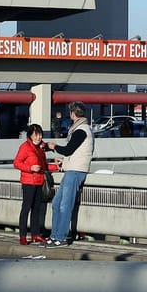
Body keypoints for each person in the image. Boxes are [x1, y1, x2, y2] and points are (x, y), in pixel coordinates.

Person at [42, 103, 95, 247]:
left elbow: (68, 149)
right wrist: (64, 161)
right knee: (56, 203)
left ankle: (61, 237)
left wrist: (53, 147)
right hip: (71, 169)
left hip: (76, 171)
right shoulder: (80, 129)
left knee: (65, 205)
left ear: (73, 114)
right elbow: (74, 153)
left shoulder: (81, 130)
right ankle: (54, 236)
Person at [13, 123, 52, 244]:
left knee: (36, 209)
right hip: (28, 182)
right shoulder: (25, 147)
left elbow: (44, 166)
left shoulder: (40, 149)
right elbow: (16, 163)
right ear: (30, 136)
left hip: (39, 181)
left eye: (40, 134)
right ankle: (23, 236)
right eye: (36, 135)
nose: (38, 137)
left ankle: (35, 234)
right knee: (26, 208)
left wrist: (58, 166)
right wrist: (30, 168)